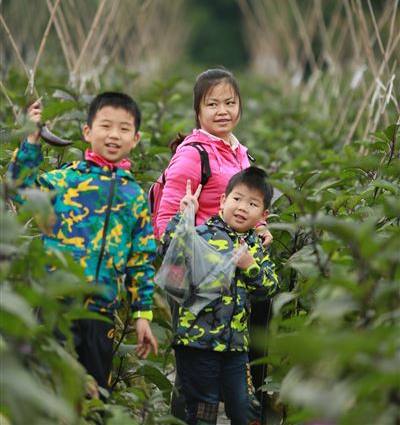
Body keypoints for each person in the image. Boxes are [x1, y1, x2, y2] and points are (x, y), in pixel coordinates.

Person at [8, 91, 158, 395]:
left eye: (124, 128)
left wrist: (143, 314)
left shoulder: (134, 197)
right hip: (57, 306)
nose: (114, 135)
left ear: (136, 139)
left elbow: (140, 259)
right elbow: (20, 187)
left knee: (92, 394)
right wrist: (32, 141)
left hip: (100, 313)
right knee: (51, 390)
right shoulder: (66, 181)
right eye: (105, 126)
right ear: (87, 132)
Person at [154, 67, 273, 412]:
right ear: (198, 111)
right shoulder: (194, 154)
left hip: (235, 279)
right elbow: (165, 222)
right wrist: (197, 258)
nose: (223, 111)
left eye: (230, 102)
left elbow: (250, 204)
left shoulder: (239, 152)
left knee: (234, 365)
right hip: (201, 283)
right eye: (213, 104)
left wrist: (261, 227)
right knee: (196, 374)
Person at [158, 167, 279, 425]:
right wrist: (183, 215)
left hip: (235, 347)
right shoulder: (202, 234)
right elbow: (170, 252)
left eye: (252, 203)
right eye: (236, 199)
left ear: (263, 215)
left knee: (246, 410)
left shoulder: (255, 247)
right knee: (203, 411)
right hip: (197, 343)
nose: (242, 207)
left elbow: (268, 288)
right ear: (223, 201)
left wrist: (250, 266)